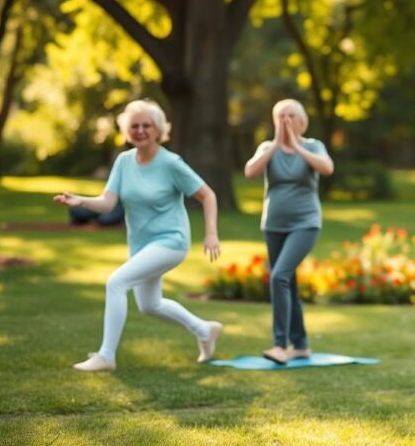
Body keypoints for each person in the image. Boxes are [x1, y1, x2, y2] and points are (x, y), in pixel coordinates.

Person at [53, 99, 223, 372]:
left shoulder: (171, 163)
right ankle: (204, 330)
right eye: (135, 126)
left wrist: (211, 234)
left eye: (147, 125)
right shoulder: (123, 162)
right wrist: (80, 201)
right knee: (149, 305)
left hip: (171, 240)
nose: (141, 130)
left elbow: (208, 195)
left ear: (158, 130)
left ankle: (106, 356)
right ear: (126, 130)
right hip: (142, 244)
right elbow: (108, 203)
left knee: (116, 283)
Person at [244, 98, 334, 364]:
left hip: (305, 223)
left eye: (291, 115)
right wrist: (276, 144)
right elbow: (250, 171)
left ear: (302, 120)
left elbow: (327, 168)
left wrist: (296, 146)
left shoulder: (313, 146)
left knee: (279, 276)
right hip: (273, 224)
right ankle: (302, 344)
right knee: (288, 283)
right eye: (281, 115)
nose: (286, 120)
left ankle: (280, 344)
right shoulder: (267, 148)